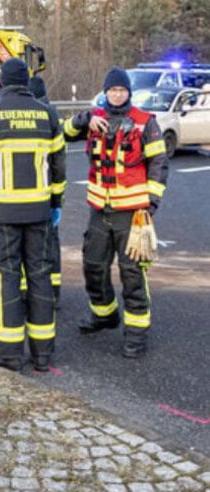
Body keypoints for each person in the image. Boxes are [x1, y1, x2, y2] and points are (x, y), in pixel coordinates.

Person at [0, 58, 66, 372]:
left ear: (3, 81)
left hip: (3, 215)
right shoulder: (47, 113)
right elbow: (59, 163)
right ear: (26, 80)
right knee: (39, 278)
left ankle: (10, 355)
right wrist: (56, 202)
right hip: (39, 213)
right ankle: (43, 355)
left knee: (7, 280)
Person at [63, 66, 169, 358]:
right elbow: (64, 132)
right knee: (93, 267)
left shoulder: (145, 123)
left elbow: (159, 163)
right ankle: (104, 315)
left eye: (122, 90)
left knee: (132, 274)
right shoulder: (94, 119)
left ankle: (136, 334)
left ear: (128, 93)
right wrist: (86, 118)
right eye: (112, 90)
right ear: (106, 92)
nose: (117, 94)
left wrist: (150, 204)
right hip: (99, 211)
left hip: (132, 214)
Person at [28, 76, 63, 306]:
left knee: (34, 247)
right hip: (51, 190)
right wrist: (57, 199)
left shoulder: (39, 116)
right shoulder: (51, 114)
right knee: (51, 243)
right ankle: (53, 290)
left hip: (36, 191)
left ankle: (33, 293)